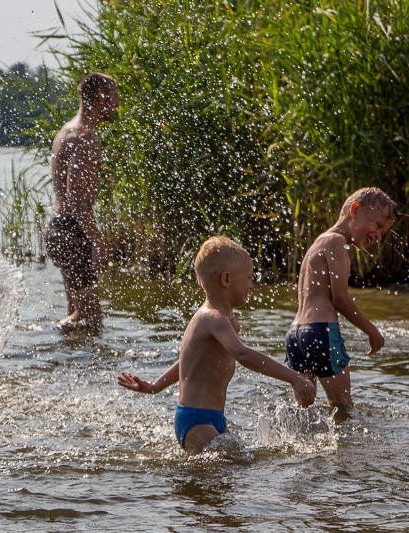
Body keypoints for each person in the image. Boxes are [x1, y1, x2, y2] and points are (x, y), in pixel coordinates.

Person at [118, 236, 316, 454]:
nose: (252, 284)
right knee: (223, 473)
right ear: (226, 279)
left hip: (213, 417)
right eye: (249, 278)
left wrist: (155, 386)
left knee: (231, 474)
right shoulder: (213, 318)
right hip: (196, 420)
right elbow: (242, 354)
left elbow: (188, 360)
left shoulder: (223, 319)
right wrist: (294, 378)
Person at [285, 187, 396, 414]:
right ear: (355, 210)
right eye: (377, 225)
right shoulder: (338, 243)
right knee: (343, 408)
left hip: (296, 335)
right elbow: (341, 299)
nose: (378, 236)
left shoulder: (319, 242)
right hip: (321, 332)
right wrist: (372, 332)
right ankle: (344, 450)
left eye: (383, 232)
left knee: (303, 412)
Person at [45, 72, 119, 332]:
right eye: (113, 97)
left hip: (60, 228)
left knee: (78, 314)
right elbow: (77, 201)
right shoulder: (84, 137)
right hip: (72, 231)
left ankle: (69, 360)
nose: (116, 104)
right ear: (99, 98)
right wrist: (97, 241)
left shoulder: (66, 131)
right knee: (90, 319)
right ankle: (44, 338)